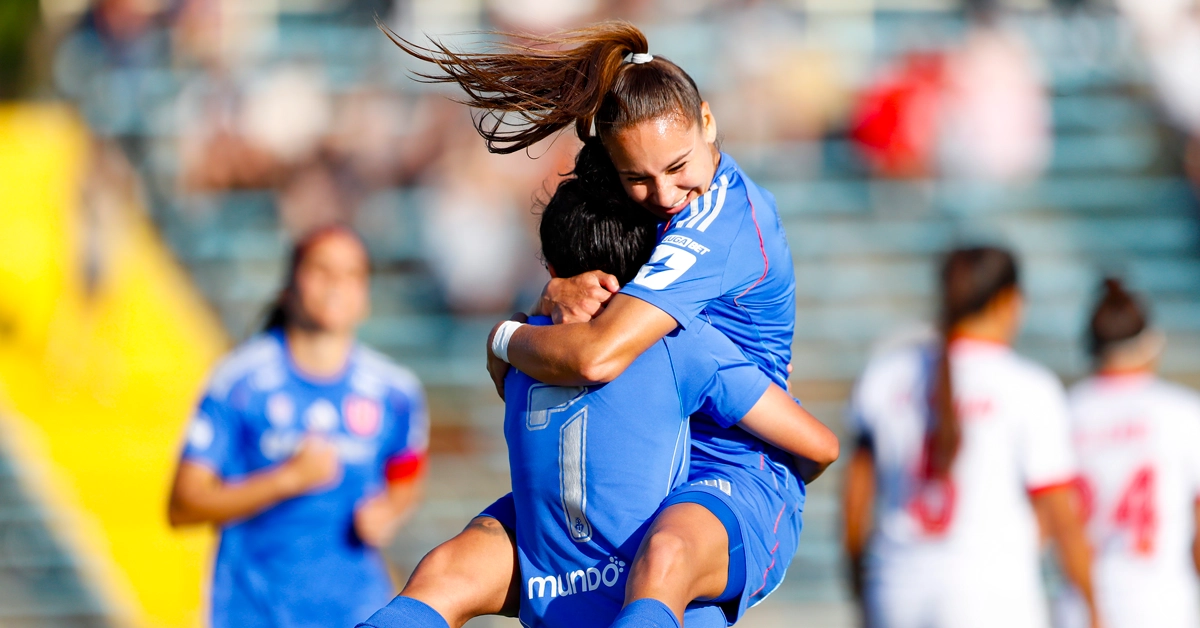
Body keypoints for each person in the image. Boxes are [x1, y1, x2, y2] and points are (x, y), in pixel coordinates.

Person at [386, 21, 808, 627]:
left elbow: (595, 356)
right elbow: (594, 292)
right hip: (631, 461)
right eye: (638, 177)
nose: (664, 194)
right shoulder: (661, 205)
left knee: (663, 562)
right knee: (446, 571)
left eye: (678, 166)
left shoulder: (718, 224)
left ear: (708, 122)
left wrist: (505, 337)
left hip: (728, 473)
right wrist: (554, 292)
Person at [358, 169, 838, 628]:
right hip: (653, 608)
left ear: (551, 268)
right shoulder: (678, 344)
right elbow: (819, 447)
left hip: (554, 592)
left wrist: (511, 328)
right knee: (669, 557)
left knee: (446, 570)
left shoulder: (519, 352)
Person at [167, 225, 428, 628]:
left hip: (357, 611)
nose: (335, 285)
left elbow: (406, 470)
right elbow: (183, 505)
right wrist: (287, 479)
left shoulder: (395, 391)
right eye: (320, 270)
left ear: (365, 297)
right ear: (289, 286)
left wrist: (390, 509)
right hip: (253, 610)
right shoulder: (239, 382)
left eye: (350, 274)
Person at [841, 246, 1100, 628]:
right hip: (991, 592)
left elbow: (855, 501)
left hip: (898, 588)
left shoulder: (886, 374)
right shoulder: (1028, 386)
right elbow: (1062, 515)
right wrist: (1094, 606)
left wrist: (861, 589)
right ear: (1007, 301)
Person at [1067, 278, 1200, 628]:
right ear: (1151, 343)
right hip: (1162, 607)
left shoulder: (1064, 411)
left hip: (1079, 609)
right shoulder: (1184, 412)